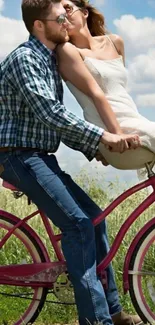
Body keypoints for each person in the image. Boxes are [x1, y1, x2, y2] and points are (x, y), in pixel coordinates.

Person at [0, 0, 141, 325]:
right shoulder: (26, 58)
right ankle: (96, 321)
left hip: (38, 155)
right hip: (18, 156)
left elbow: (56, 124)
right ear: (39, 25)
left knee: (95, 220)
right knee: (78, 226)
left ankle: (113, 311)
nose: (65, 21)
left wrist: (96, 150)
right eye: (58, 17)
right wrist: (102, 138)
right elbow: (51, 113)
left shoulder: (49, 61)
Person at [56, 0, 155, 172]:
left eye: (68, 8)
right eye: (58, 14)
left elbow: (119, 92)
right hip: (111, 130)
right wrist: (117, 135)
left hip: (135, 120)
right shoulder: (67, 50)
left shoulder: (115, 42)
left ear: (84, 12)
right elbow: (96, 94)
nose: (63, 15)